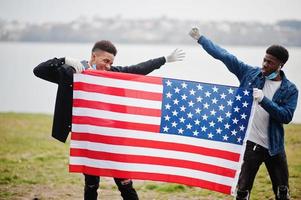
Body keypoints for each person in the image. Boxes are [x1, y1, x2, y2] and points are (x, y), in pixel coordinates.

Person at [33, 40, 185, 200]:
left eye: (111, 62)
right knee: (91, 185)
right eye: (105, 61)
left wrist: (165, 59)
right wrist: (64, 60)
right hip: (88, 138)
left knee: (125, 183)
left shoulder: (112, 73)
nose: (108, 66)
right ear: (93, 56)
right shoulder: (74, 72)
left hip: (114, 139)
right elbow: (39, 70)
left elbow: (138, 69)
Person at [188, 27, 298, 200]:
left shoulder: (290, 89)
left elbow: (286, 116)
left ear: (280, 65)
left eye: (270, 62)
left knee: (282, 192)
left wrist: (264, 100)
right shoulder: (250, 73)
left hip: (275, 148)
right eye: (264, 60)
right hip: (251, 145)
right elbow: (225, 56)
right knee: (242, 192)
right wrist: (201, 39)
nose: (265, 64)